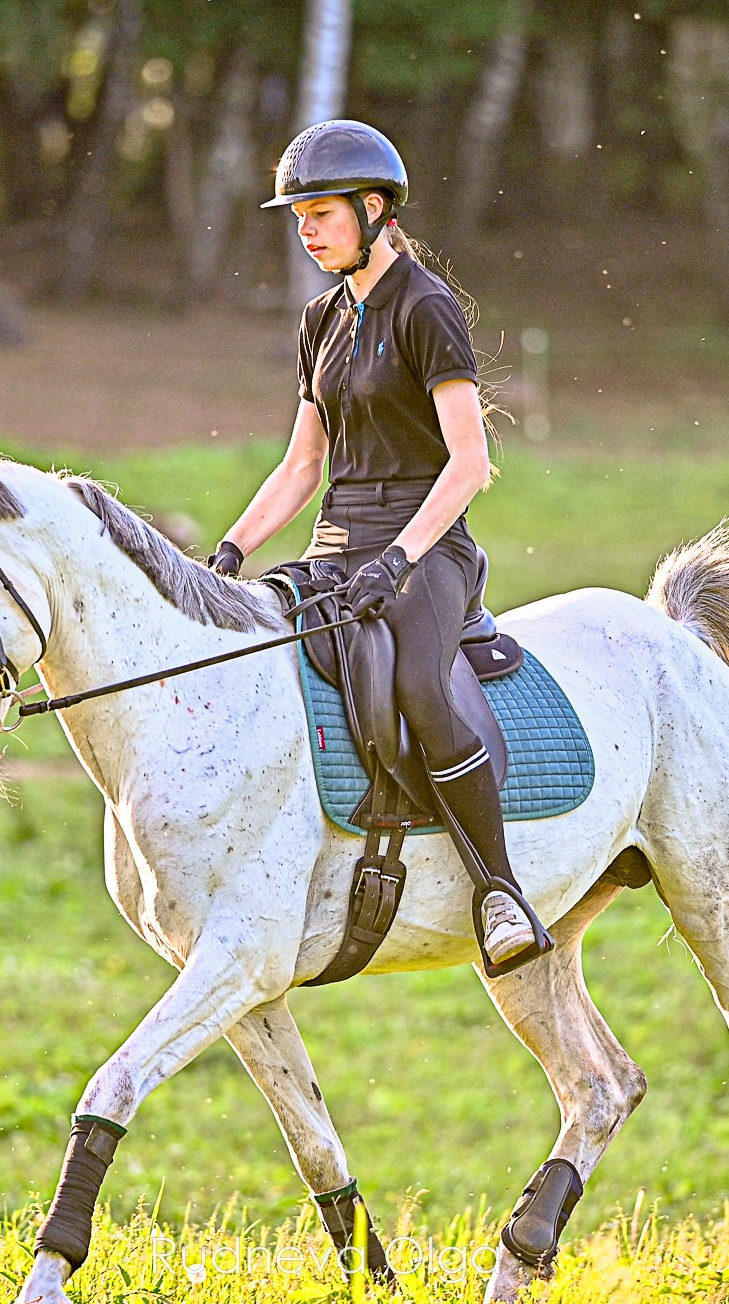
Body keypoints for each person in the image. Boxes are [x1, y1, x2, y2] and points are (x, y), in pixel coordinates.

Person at [208, 119, 549, 973]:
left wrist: (399, 559)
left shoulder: (426, 308)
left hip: (426, 549)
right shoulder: (320, 318)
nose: (306, 231)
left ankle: (499, 892)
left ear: (373, 209)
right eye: (298, 218)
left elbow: (470, 463)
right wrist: (231, 551)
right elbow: (303, 464)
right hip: (337, 546)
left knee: (420, 687)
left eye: (320, 214)